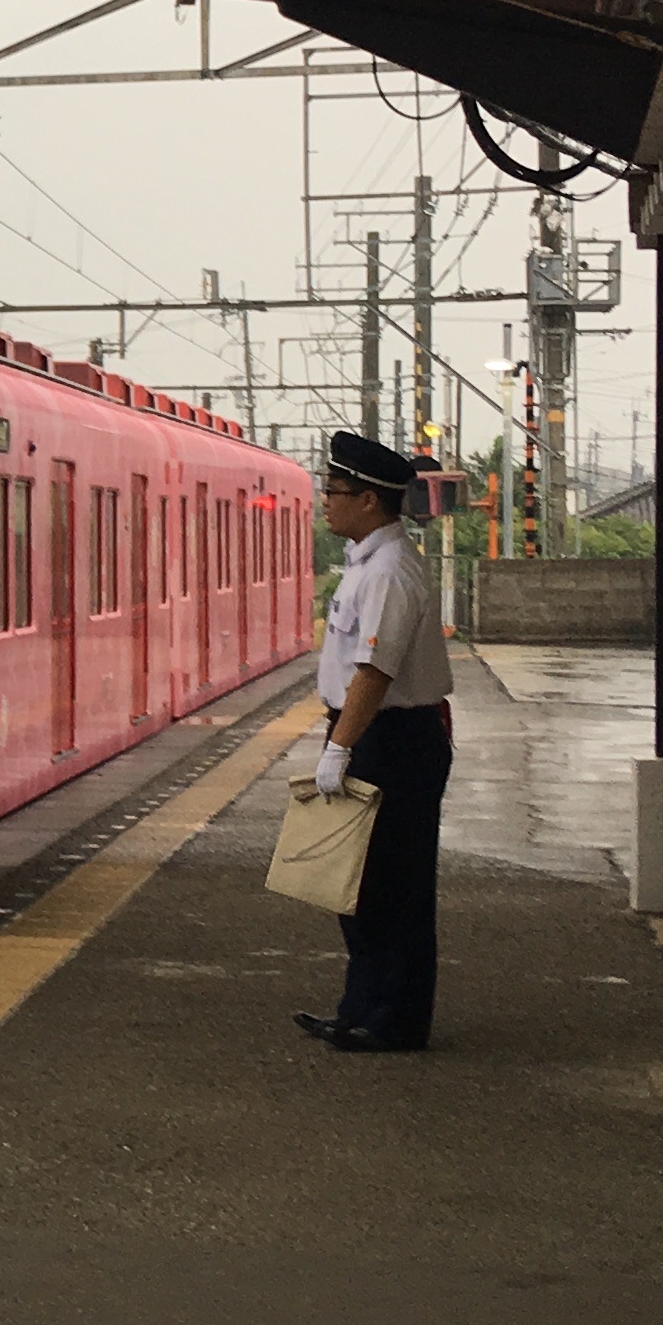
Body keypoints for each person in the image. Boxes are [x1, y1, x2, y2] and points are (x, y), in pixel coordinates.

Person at [296, 430, 453, 1053]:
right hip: (375, 734)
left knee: (392, 886)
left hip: (395, 738)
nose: (325, 502)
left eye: (333, 492)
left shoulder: (388, 572)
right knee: (358, 884)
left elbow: (374, 672)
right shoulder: (368, 562)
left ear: (367, 500)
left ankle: (395, 1020)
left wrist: (340, 747)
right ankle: (361, 1007)